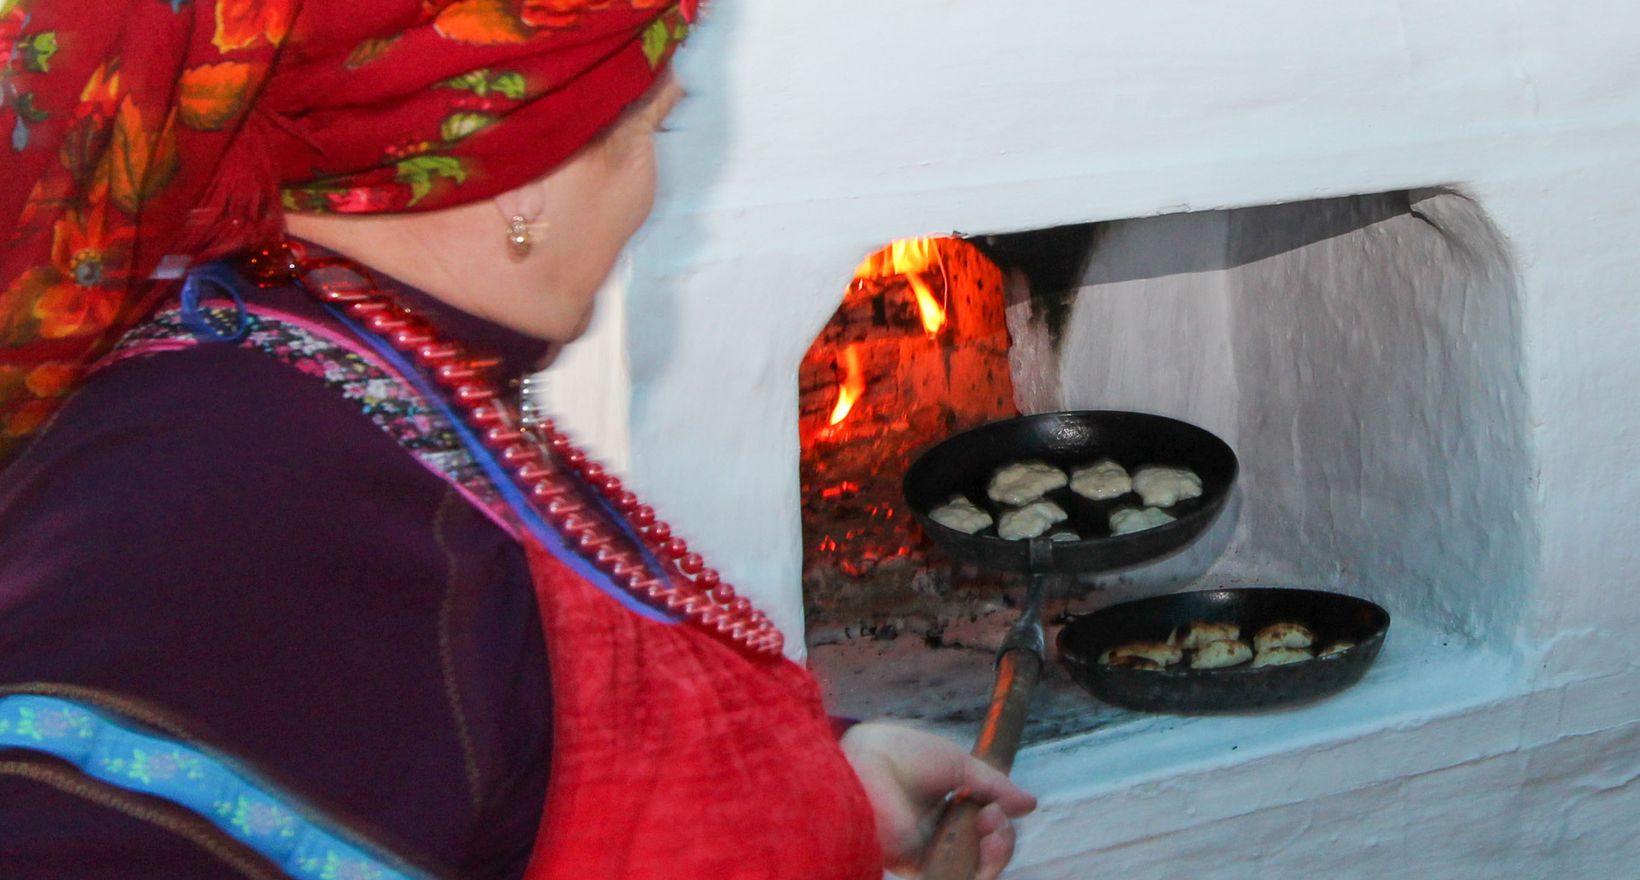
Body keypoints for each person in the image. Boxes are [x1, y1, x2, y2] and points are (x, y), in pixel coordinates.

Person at [0, 1, 1036, 878]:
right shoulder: (241, 488)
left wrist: (841, 789)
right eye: (650, 137)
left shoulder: (357, 369)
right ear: (526, 175)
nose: (649, 190)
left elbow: (523, 742)